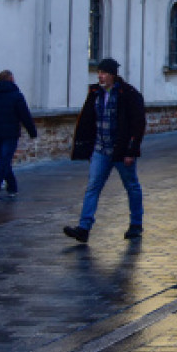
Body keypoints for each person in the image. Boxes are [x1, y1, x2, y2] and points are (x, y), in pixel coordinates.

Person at [63, 57, 146, 243]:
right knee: (93, 187)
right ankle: (84, 227)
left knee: (131, 186)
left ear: (113, 75)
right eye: (99, 73)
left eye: (104, 73)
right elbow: (87, 120)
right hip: (100, 149)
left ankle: (136, 224)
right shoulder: (95, 93)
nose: (100, 76)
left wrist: (131, 150)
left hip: (121, 149)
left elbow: (138, 123)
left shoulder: (128, 94)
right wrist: (86, 147)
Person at [0, 70, 37, 202]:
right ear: (11, 78)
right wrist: (32, 131)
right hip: (10, 133)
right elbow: (25, 115)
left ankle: (12, 187)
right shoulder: (16, 96)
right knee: (5, 161)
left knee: (4, 161)